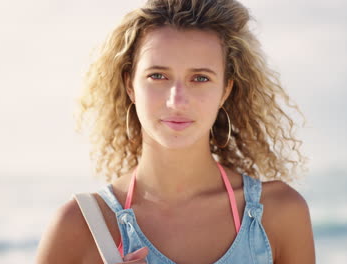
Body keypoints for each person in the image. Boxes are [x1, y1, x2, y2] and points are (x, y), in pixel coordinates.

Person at [35, 0, 316, 263]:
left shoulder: (280, 213)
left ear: (225, 90)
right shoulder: (81, 225)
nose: (177, 100)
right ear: (130, 85)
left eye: (200, 78)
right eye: (158, 75)